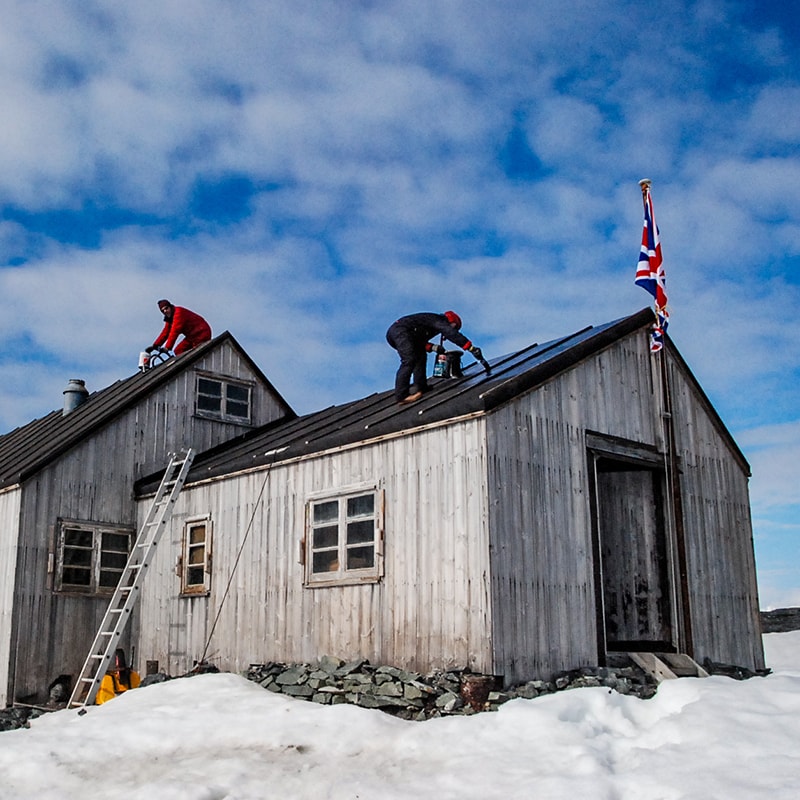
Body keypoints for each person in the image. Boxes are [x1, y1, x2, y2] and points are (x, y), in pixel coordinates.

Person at [385, 310, 485, 404]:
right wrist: (470, 347)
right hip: (400, 332)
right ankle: (402, 396)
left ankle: (421, 387)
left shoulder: (428, 322)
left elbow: (418, 340)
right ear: (451, 321)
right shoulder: (438, 320)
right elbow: (450, 333)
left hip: (401, 334)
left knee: (420, 356)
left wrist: (432, 347)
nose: (454, 329)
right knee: (409, 360)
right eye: (455, 327)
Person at [147, 299, 212, 356]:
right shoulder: (170, 319)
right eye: (162, 311)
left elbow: (175, 331)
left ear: (170, 307)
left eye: (166, 308)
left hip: (201, 333)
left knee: (197, 351)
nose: (165, 311)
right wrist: (155, 345)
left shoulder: (178, 313)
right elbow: (165, 332)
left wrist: (167, 347)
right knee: (179, 350)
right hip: (192, 337)